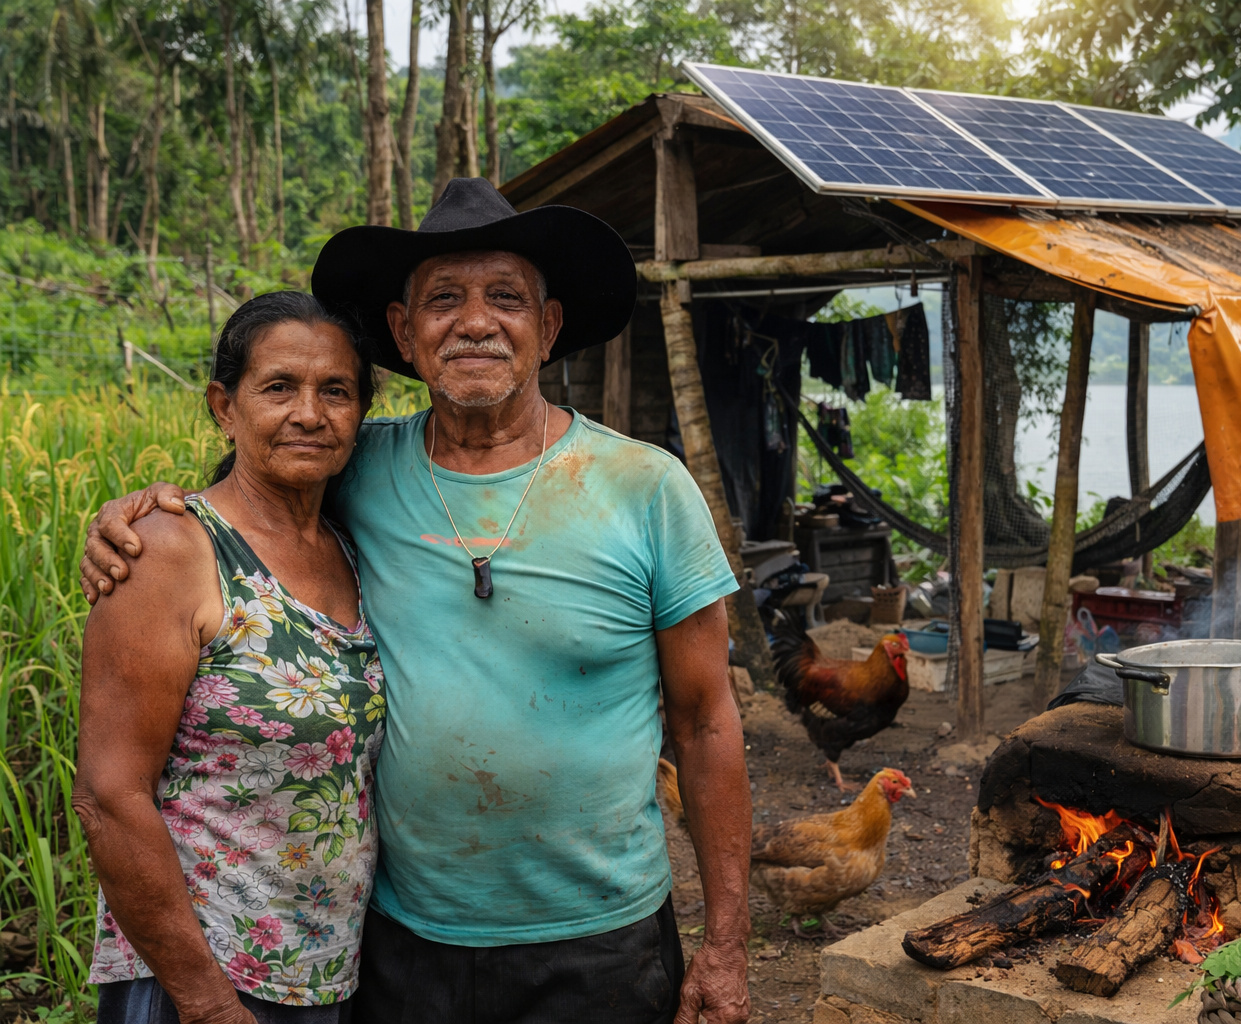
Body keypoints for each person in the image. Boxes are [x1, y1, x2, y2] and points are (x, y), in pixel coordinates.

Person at [81, 178, 754, 1024]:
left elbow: (707, 720)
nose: (475, 321)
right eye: (444, 299)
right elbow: (251, 500)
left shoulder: (645, 486)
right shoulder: (360, 466)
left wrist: (727, 944)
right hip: (401, 945)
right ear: (404, 331)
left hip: (601, 942)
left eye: (506, 297)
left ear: (547, 327)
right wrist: (138, 514)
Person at [75, 292, 386, 1024]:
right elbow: (109, 797)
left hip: (322, 973)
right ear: (225, 405)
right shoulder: (171, 551)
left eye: (335, 391)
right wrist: (209, 1004)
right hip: (200, 978)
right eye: (279, 387)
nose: (310, 413)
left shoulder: (349, 545)